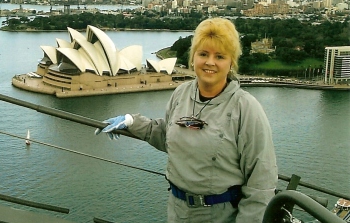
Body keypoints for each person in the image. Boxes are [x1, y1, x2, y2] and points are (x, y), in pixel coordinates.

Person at [95, 18, 278, 223]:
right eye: (203, 54)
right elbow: (168, 136)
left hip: (221, 215)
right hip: (177, 210)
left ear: (231, 62)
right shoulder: (181, 93)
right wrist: (131, 122)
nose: (210, 62)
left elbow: (261, 182)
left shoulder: (246, 108)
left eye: (219, 56)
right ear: (193, 58)